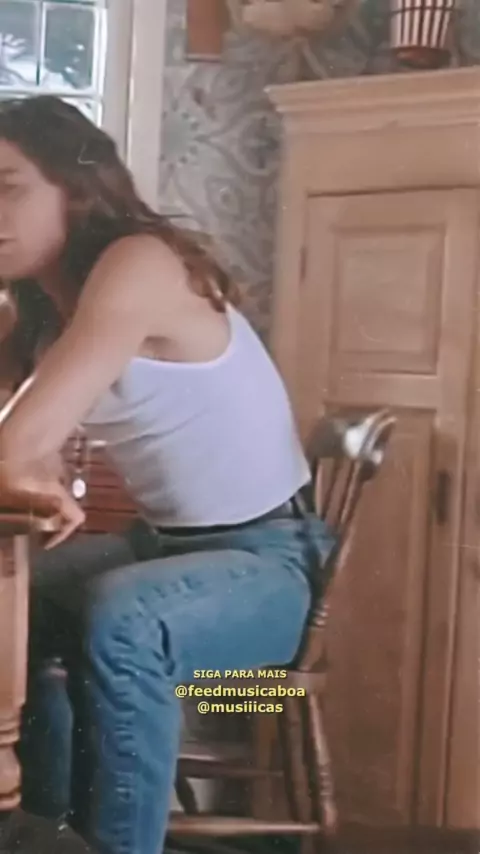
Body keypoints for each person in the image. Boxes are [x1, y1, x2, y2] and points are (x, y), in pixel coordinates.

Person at [0, 96, 336, 854]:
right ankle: (42, 830)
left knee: (121, 616)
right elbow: (21, 450)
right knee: (22, 599)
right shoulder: (34, 310)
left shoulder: (139, 264)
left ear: (75, 187)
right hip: (166, 549)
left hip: (271, 566)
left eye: (9, 187)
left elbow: (14, 443)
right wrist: (31, 469)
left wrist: (25, 460)